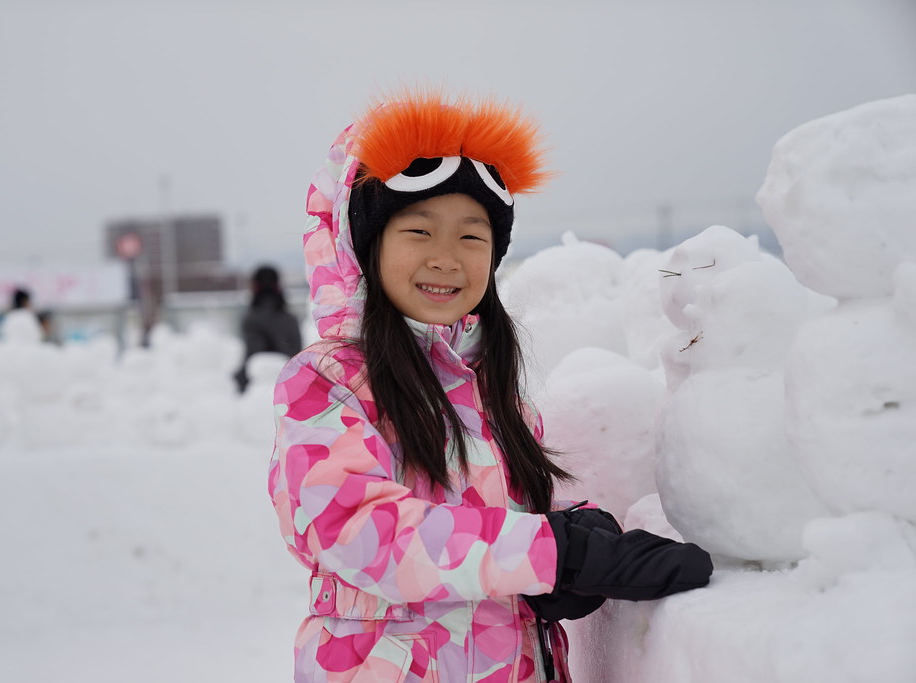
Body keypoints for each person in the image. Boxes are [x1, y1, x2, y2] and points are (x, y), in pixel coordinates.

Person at [268, 92, 713, 682]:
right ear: (367, 247)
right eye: (420, 231)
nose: (446, 258)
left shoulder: (494, 395)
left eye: (471, 238)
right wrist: (555, 551)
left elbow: (494, 524)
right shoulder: (328, 382)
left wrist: (571, 542)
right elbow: (362, 533)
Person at [233, 265, 303, 393]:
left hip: (260, 389)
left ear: (255, 286)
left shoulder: (251, 318)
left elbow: (253, 358)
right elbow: (297, 356)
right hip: (290, 388)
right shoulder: (290, 319)